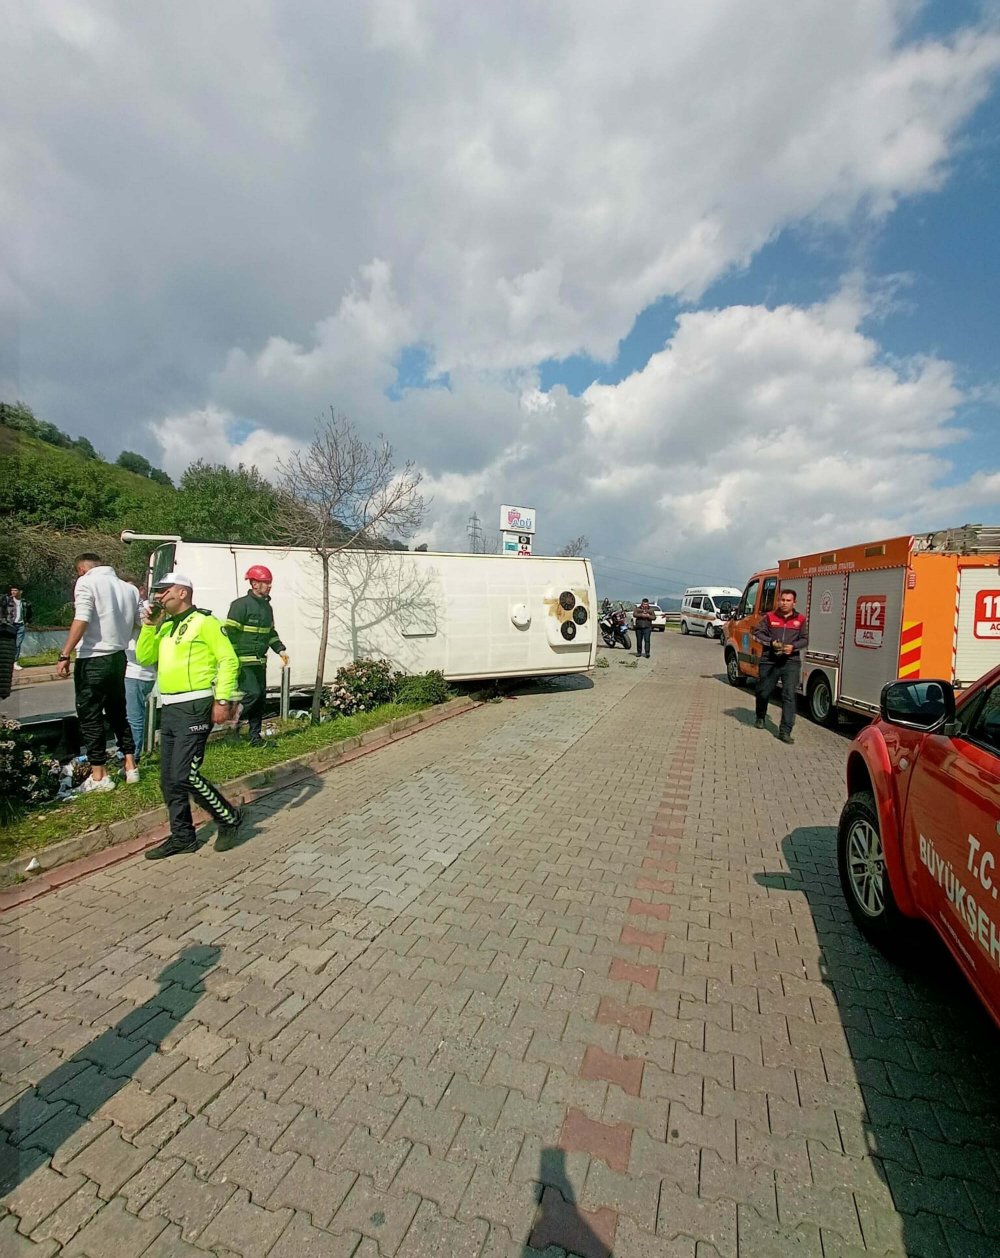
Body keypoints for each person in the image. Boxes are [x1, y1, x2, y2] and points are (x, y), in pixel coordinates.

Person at [136, 572, 243, 860]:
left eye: (164, 590)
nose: (159, 596)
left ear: (182, 592)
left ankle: (229, 817)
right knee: (169, 779)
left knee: (186, 774)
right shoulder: (166, 626)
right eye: (157, 592)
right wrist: (148, 626)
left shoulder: (205, 622)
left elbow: (228, 660)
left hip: (196, 705)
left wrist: (222, 699)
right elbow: (144, 657)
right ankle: (183, 837)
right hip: (170, 706)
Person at [55, 554, 139, 791]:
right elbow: (137, 623)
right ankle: (130, 764)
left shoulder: (86, 582)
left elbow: (82, 618)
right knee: (118, 712)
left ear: (81, 569)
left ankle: (99, 775)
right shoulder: (128, 589)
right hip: (118, 657)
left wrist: (65, 654)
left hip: (92, 657)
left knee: (90, 715)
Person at [223, 565, 288, 748]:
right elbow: (230, 633)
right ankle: (231, 724)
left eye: (269, 583)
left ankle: (255, 737)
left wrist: (280, 649)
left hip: (260, 662)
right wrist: (232, 659)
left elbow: (270, 633)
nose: (269, 586)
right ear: (253, 583)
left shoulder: (267, 608)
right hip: (243, 662)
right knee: (252, 694)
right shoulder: (240, 605)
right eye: (265, 583)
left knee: (260, 700)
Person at [753, 588, 809, 743]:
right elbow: (757, 634)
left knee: (789, 695)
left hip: (790, 662)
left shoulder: (801, 619)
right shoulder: (769, 617)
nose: (784, 603)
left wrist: (793, 647)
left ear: (794, 602)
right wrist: (771, 643)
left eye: (788, 600)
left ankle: (785, 731)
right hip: (769, 660)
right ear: (778, 601)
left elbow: (805, 639)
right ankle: (760, 715)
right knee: (763, 692)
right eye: (782, 600)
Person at [124, 580, 157, 763]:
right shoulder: (146, 609)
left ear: (141, 591)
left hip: (138, 672)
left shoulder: (144, 611)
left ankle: (133, 757)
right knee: (133, 717)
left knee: (134, 718)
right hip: (137, 670)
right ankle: (132, 754)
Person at [0, 584, 32, 670]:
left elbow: (29, 613)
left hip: (21, 625)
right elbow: (2, 611)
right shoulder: (7, 600)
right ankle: (6, 663)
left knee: (17, 644)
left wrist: (28, 622)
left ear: (20, 592)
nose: (13, 592)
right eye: (12, 590)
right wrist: (3, 621)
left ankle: (15, 662)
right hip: (10, 625)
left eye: (15, 590)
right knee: (7, 644)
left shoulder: (25, 602)